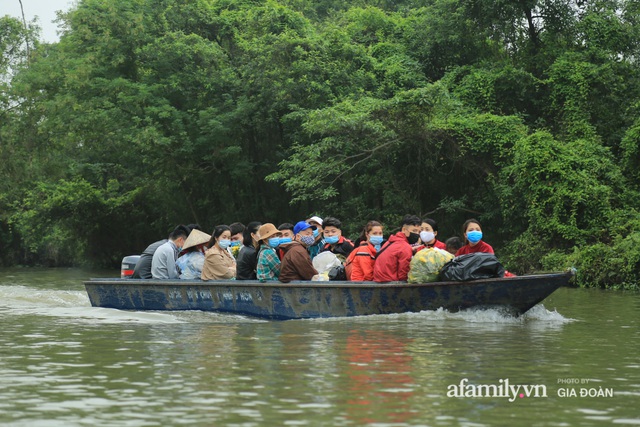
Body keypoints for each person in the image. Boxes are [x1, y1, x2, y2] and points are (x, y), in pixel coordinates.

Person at [373, 215, 422, 282]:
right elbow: (403, 276)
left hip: (379, 282)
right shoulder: (404, 247)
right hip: (391, 286)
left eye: (419, 232)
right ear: (404, 229)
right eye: (414, 230)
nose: (417, 234)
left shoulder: (391, 241)